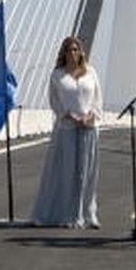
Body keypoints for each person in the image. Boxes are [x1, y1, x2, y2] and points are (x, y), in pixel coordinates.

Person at [30, 37, 102, 228]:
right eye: (69, 50)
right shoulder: (57, 75)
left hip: (89, 128)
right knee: (67, 172)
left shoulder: (91, 72)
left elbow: (97, 100)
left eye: (76, 49)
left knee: (88, 173)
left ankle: (88, 214)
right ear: (63, 53)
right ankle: (68, 215)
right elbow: (54, 102)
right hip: (67, 129)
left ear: (81, 52)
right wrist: (69, 116)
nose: (72, 53)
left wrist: (90, 117)